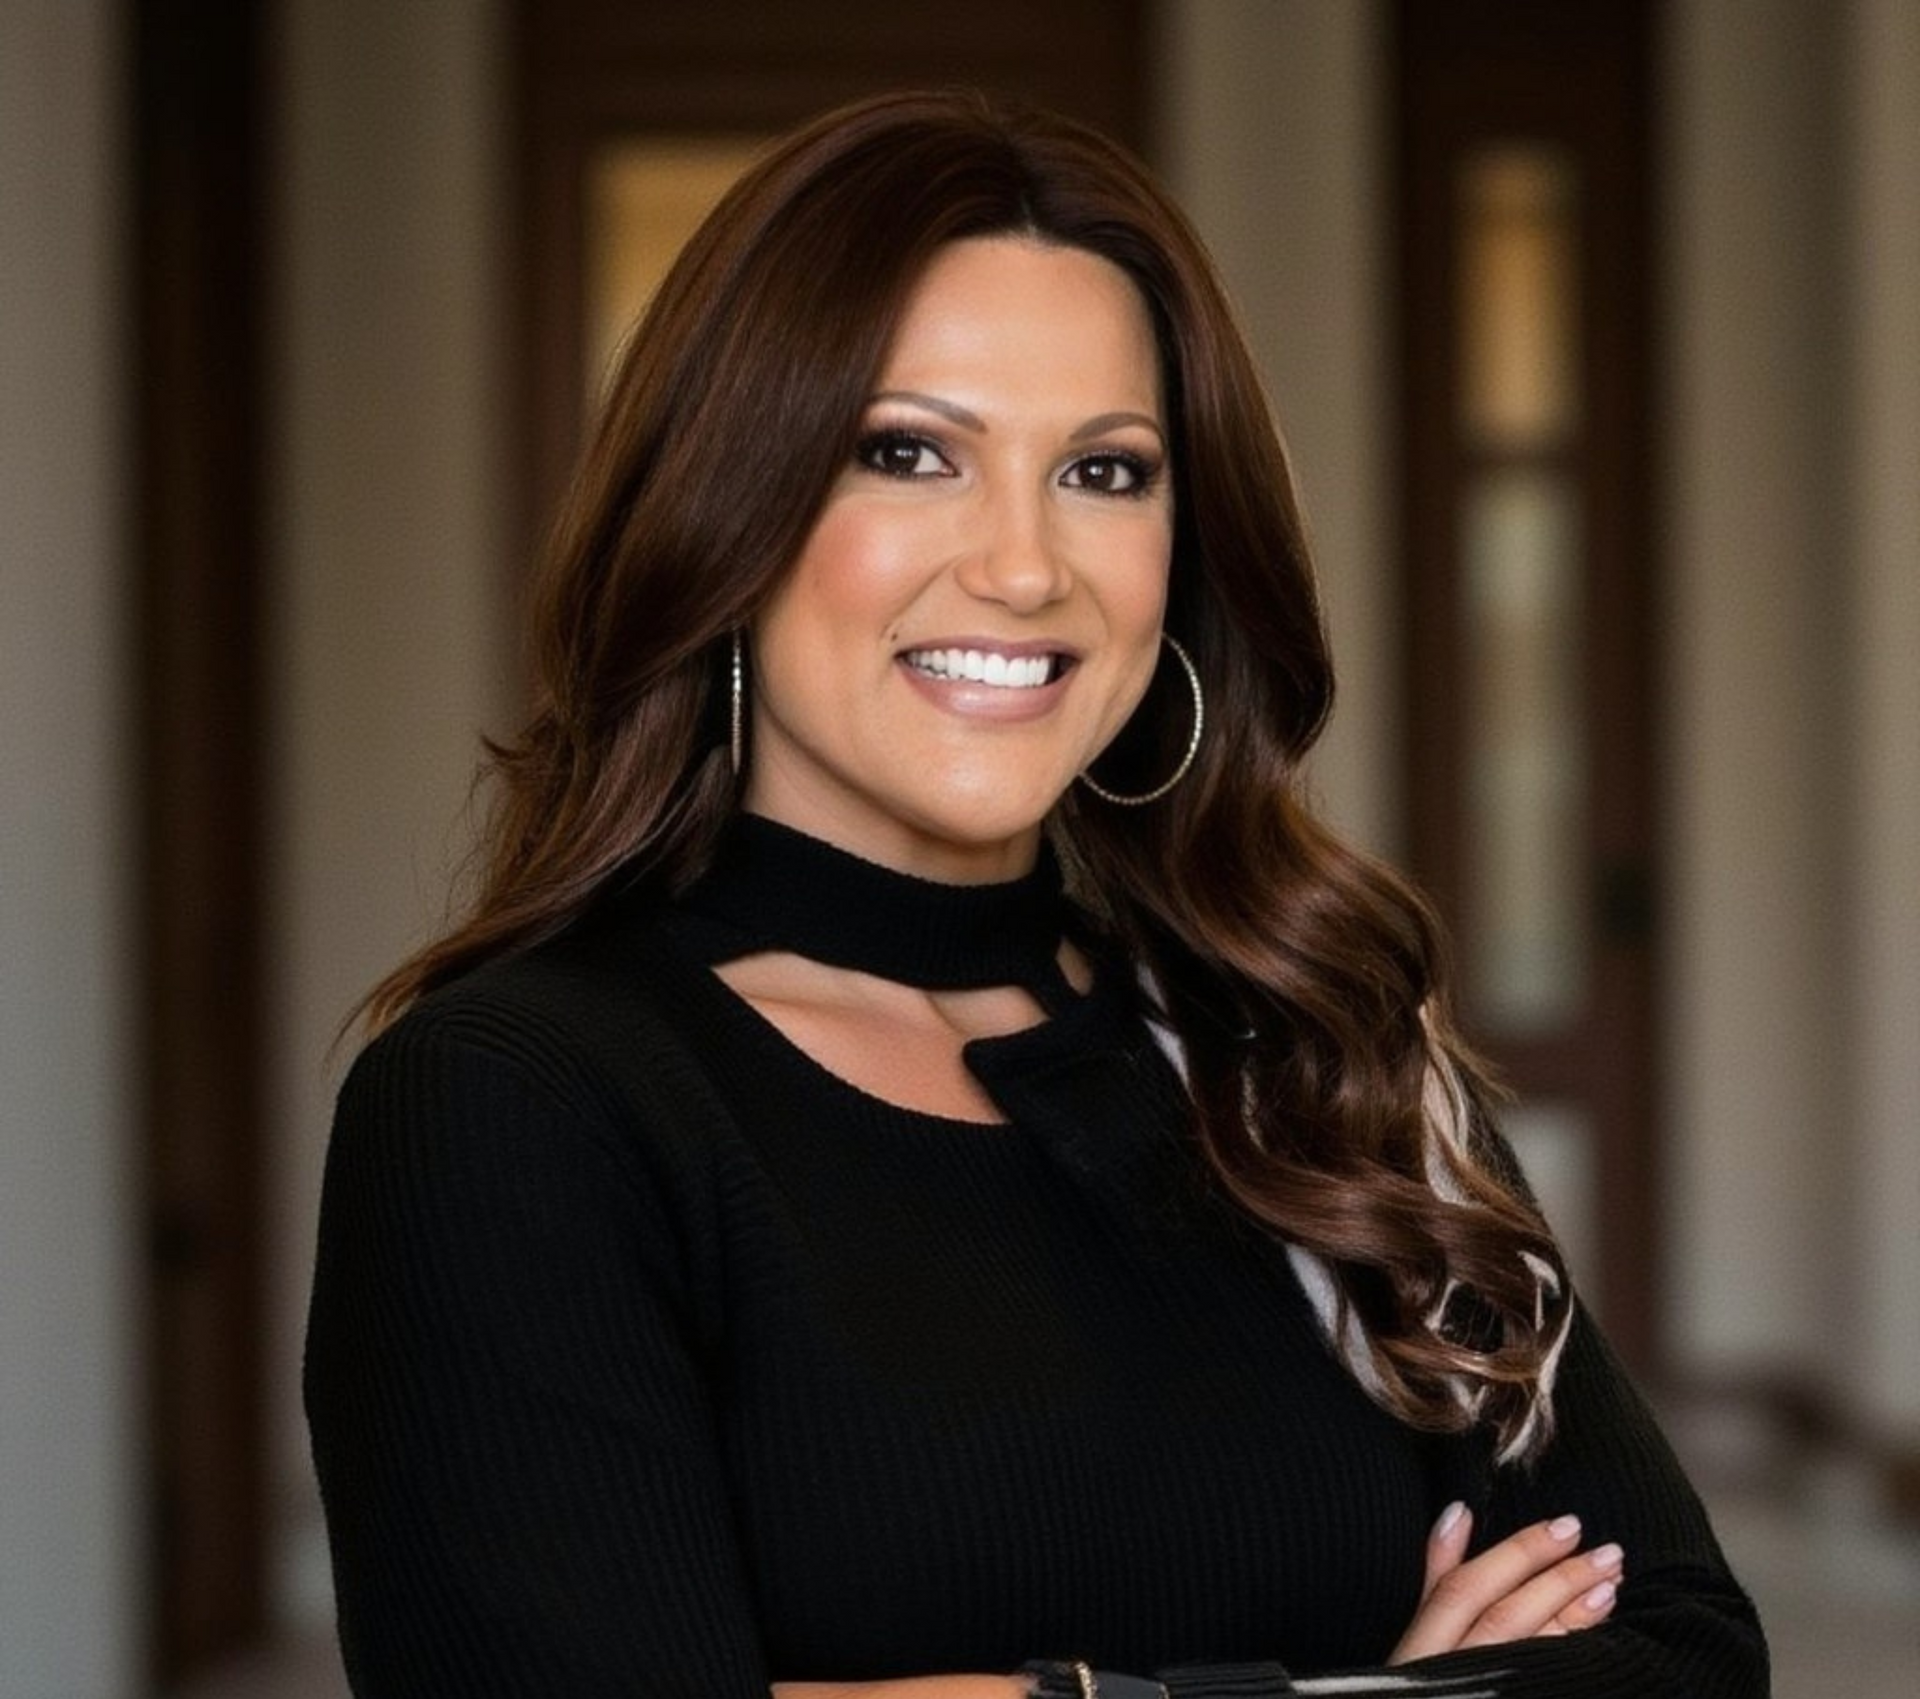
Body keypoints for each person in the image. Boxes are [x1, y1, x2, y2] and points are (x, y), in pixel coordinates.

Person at [304, 89, 1766, 1699]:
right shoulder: (510, 1106)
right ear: (726, 511)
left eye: (1109, 471)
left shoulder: (1312, 1052)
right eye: (907, 452)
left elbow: (1685, 1652)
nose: (1023, 566)